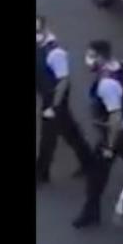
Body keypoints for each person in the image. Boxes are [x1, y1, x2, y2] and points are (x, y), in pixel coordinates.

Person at [74, 39, 123, 228]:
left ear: (102, 57)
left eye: (92, 56)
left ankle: (91, 212)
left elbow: (115, 116)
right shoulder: (122, 67)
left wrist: (109, 147)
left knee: (96, 176)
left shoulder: (107, 84)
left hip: (116, 133)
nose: (88, 60)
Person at [36, 16, 92, 185]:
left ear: (44, 29)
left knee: (48, 136)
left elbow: (63, 81)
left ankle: (41, 173)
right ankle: (88, 161)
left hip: (54, 98)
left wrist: (54, 106)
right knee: (68, 130)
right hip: (46, 92)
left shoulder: (56, 53)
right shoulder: (40, 46)